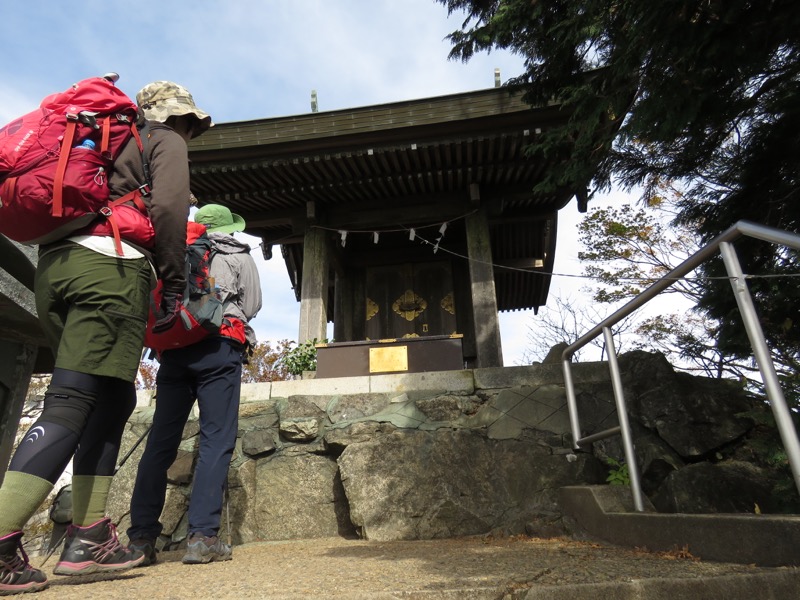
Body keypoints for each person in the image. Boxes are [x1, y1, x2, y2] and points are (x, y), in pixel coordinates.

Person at [0, 80, 212, 595]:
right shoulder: (164, 140)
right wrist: (176, 279)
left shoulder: (104, 142)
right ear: (177, 117)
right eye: (191, 122)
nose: (191, 131)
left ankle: (88, 536)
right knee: (72, 401)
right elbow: (166, 209)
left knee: (112, 398)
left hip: (57, 266)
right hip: (109, 269)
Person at [127, 204, 262, 566]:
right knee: (216, 440)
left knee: (161, 441)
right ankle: (203, 536)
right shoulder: (237, 254)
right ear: (229, 227)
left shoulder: (172, 248)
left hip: (174, 346)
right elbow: (252, 305)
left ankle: (141, 538)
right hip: (220, 345)